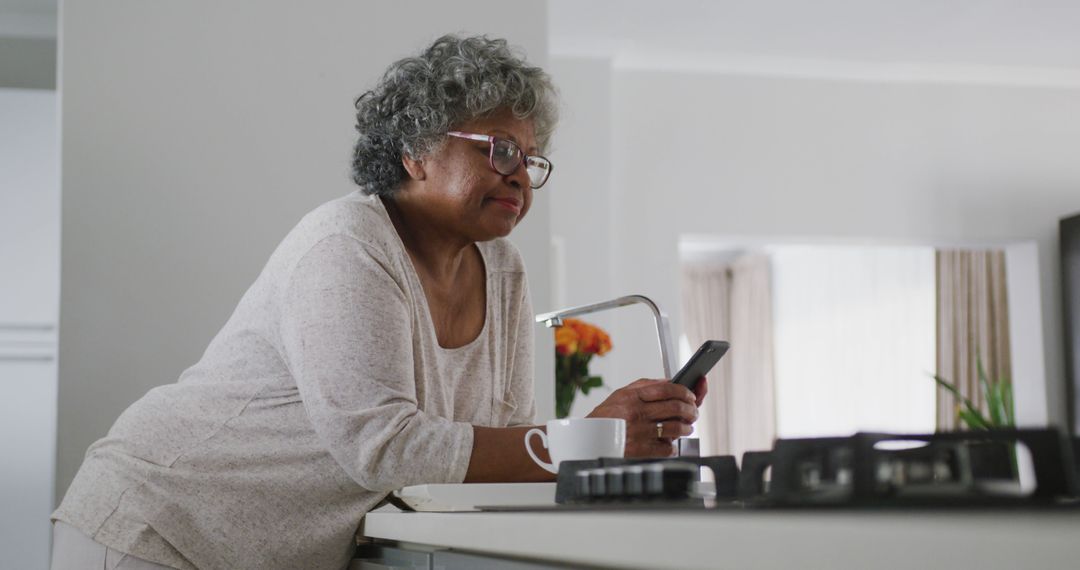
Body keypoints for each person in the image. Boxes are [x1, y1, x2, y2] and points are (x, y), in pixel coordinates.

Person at [51, 34, 706, 570]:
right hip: (160, 527)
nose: (518, 173)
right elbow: (383, 446)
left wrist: (603, 443)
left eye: (531, 160)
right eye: (499, 149)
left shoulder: (502, 269)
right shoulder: (348, 244)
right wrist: (586, 441)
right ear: (416, 152)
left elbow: (505, 442)